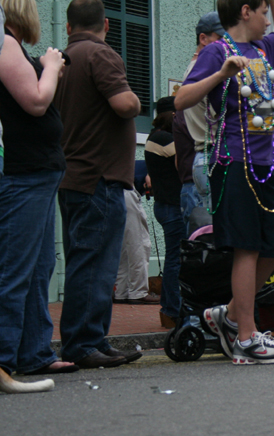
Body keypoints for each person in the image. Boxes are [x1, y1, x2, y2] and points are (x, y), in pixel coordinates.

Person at [175, 0, 274, 365]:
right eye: (263, 12)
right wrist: (221, 74)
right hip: (233, 162)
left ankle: (227, 315)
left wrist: (273, 1)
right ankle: (245, 335)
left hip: (265, 163)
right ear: (245, 12)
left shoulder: (263, 47)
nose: (268, 21)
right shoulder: (217, 51)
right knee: (247, 248)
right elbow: (181, 99)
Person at [54, 0, 143, 369]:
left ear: (70, 26)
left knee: (82, 261)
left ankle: (92, 338)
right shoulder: (101, 54)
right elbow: (124, 104)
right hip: (99, 177)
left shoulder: (61, 60)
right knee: (96, 266)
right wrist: (137, 100)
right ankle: (84, 343)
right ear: (106, 24)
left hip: (71, 174)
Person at [0, 0, 77, 376]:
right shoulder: (5, 43)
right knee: (16, 270)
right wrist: (48, 67)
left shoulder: (11, 45)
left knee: (38, 267)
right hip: (24, 173)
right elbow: (34, 101)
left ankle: (33, 353)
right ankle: (4, 358)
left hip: (38, 173)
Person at [174, 12, 224, 220]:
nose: (227, 45)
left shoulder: (193, 69)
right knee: (217, 236)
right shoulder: (206, 71)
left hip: (202, 158)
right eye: (221, 38)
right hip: (211, 155)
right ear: (203, 39)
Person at [145, 97, 185, 329]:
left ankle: (170, 310)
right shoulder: (164, 138)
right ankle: (171, 310)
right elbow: (184, 163)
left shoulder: (154, 137)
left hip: (165, 204)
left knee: (174, 258)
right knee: (176, 260)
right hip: (172, 205)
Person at [113, 184, 158, 305]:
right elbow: (149, 182)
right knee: (139, 243)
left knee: (124, 247)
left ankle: (121, 292)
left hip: (116, 191)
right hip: (128, 191)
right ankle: (138, 292)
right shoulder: (144, 168)